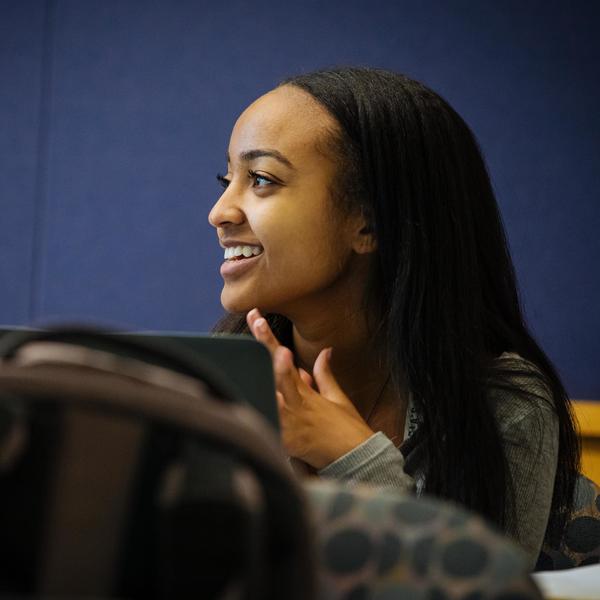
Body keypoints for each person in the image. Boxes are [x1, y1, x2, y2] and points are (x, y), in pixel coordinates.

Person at [207, 67, 579, 568]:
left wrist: (353, 456)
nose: (220, 211)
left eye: (262, 180)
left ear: (370, 221)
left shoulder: (504, 402)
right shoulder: (222, 377)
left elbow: (479, 586)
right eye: (226, 179)